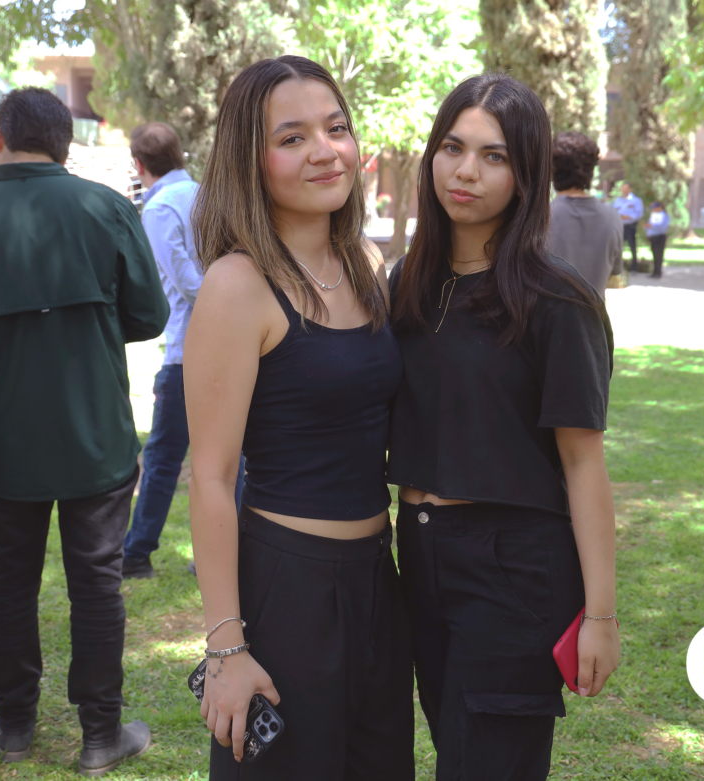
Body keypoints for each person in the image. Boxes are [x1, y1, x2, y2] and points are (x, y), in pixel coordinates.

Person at [0, 87, 170, 776]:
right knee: (96, 582)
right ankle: (100, 733)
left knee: (11, 579)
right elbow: (149, 315)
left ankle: (15, 725)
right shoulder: (107, 207)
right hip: (95, 432)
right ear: (65, 145)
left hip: (6, 432)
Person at [185, 56, 413, 779]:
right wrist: (227, 647)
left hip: (377, 577)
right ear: (250, 161)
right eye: (292, 138)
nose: (325, 150)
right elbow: (211, 477)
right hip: (286, 587)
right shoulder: (237, 284)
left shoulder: (367, 264)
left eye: (336, 128)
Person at [388, 74, 621, 780]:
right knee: (453, 751)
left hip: (513, 564)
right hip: (418, 550)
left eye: (495, 156)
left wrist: (601, 616)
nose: (466, 171)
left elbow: (583, 464)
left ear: (526, 175)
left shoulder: (557, 300)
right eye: (453, 148)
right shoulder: (407, 284)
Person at [122, 121, 246, 580]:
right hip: (232, 346)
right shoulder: (207, 195)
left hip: (188, 350)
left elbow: (190, 284)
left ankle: (137, 553)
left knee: (163, 460)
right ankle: (223, 552)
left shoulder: (159, 209)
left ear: (139, 165)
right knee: (230, 462)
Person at [548, 131, 623, 297]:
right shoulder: (612, 217)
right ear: (591, 169)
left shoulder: (540, 217)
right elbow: (615, 273)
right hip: (594, 313)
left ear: (552, 169)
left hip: (547, 313)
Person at [612, 181, 644, 271]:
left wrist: (629, 217)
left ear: (630, 189)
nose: (624, 190)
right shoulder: (618, 201)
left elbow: (639, 213)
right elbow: (613, 211)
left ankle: (634, 268)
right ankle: (617, 268)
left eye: (626, 188)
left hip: (630, 226)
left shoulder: (636, 200)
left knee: (632, 246)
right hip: (619, 226)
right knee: (618, 247)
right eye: (623, 188)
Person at [645, 200, 670, 278]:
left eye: (654, 208)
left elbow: (663, 227)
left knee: (659, 255)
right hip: (653, 237)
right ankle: (655, 271)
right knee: (654, 255)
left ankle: (658, 272)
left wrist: (651, 226)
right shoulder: (653, 215)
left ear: (660, 208)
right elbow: (649, 225)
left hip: (660, 237)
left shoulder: (664, 216)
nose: (653, 210)